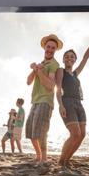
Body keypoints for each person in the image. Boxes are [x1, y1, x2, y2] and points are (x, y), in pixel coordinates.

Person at [56, 29, 89, 166]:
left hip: (79, 104)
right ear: (63, 59)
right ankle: (61, 160)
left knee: (82, 135)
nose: (69, 58)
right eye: (66, 56)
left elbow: (86, 57)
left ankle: (67, 160)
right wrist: (60, 105)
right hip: (67, 103)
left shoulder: (75, 73)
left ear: (75, 60)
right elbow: (58, 89)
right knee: (75, 134)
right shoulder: (61, 71)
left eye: (72, 57)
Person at [25, 34, 62, 163]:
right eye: (48, 47)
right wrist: (34, 69)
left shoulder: (54, 64)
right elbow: (28, 82)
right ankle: (39, 156)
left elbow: (50, 86)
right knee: (30, 131)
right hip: (35, 101)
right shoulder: (41, 64)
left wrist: (39, 71)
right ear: (44, 47)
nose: (50, 49)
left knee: (41, 132)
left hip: (45, 101)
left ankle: (44, 159)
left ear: (55, 50)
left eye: (53, 48)